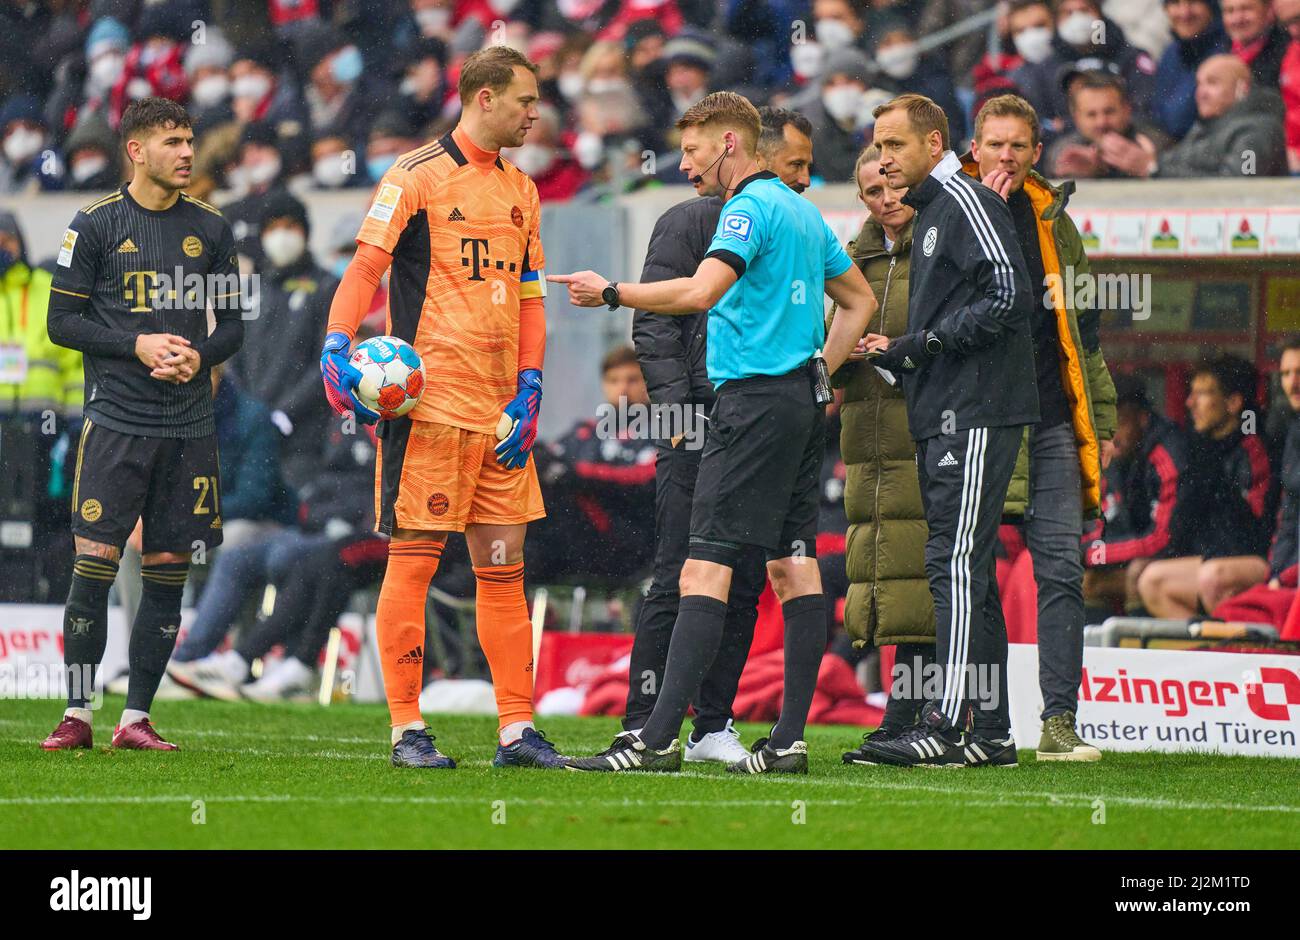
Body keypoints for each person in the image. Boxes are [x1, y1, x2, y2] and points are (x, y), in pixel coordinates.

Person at [552, 90, 878, 775]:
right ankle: (786, 741)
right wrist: (823, 368)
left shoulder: (750, 207)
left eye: (694, 149)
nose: (685, 161)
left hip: (747, 406)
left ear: (730, 143)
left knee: (702, 568)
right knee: (792, 566)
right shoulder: (804, 210)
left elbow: (699, 293)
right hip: (799, 408)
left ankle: (655, 740)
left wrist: (611, 292)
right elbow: (861, 301)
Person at [321, 46, 565, 771]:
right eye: (524, 99)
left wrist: (531, 385)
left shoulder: (524, 189)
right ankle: (407, 730)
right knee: (415, 559)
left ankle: (516, 731)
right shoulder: (415, 175)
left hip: (499, 414)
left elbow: (530, 299)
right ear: (484, 97)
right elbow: (366, 265)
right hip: (428, 407)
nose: (534, 112)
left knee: (503, 566)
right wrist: (337, 340)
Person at [610, 107, 817, 770]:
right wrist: (677, 416)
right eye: (797, 167)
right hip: (700, 425)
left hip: (750, 424)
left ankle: (711, 723)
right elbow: (655, 328)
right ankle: (644, 720)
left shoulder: (785, 221)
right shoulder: (691, 221)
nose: (804, 181)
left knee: (742, 578)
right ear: (761, 153)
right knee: (677, 576)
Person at [41, 98, 244, 751]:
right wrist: (138, 345)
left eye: (190, 140)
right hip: (116, 421)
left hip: (188, 427)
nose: (187, 152)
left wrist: (198, 354)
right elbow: (61, 324)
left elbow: (235, 326)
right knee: (93, 567)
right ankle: (78, 713)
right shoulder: (95, 224)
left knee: (166, 570)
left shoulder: (213, 230)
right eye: (173, 142)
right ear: (136, 150)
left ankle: (136, 719)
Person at [860, 92, 1037, 768]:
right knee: (971, 574)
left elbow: (1010, 295)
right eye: (878, 148)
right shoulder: (930, 216)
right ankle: (990, 734)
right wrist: (902, 353)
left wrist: (923, 343)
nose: (884, 160)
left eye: (896, 145)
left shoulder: (965, 201)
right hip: (948, 411)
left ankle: (943, 719)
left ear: (935, 145)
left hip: (979, 412)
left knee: (954, 563)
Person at [967, 94, 1117, 761]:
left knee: (1061, 570)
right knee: (968, 571)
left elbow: (1085, 335)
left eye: (1017, 145)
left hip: (1053, 419)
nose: (1005, 156)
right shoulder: (947, 211)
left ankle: (1059, 724)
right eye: (994, 144)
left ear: (1035, 152)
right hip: (977, 420)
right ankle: (985, 723)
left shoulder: (1057, 221)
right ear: (974, 149)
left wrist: (1103, 420)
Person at [831, 145, 937, 765]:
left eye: (893, 186)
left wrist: (898, 349)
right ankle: (903, 716)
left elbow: (964, 333)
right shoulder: (853, 258)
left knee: (919, 581)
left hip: (926, 430)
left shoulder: (940, 246)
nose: (887, 199)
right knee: (885, 582)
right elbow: (833, 347)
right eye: (872, 191)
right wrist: (841, 360)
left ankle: (922, 715)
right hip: (868, 439)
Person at [1138, 356, 1275, 617]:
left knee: (1211, 578)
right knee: (1149, 580)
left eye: (1202, 393)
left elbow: (1254, 531)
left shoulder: (1254, 450)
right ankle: (1206, 652)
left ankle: (1232, 651)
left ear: (1233, 403)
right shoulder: (1199, 447)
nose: (1190, 402)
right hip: (1212, 559)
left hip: (1252, 562)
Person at [1082, 376, 1198, 616]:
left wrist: (1091, 553)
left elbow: (1163, 539)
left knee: (1137, 573)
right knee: (1086, 580)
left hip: (1189, 556)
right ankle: (1098, 654)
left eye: (1118, 423)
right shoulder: (1116, 455)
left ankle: (1142, 653)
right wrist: (1089, 550)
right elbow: (1101, 523)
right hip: (1145, 556)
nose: (1111, 435)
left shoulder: (1168, 453)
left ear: (1142, 419)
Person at [1153, 53, 1289, 176]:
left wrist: (1155, 170)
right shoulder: (1202, 128)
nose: (1201, 93)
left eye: (1212, 83)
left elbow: (1242, 184)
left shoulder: (1258, 131)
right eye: (1199, 84)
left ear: (1241, 89)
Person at [1047, 71, 1170, 178]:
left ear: (1127, 109)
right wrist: (1078, 176)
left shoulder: (1155, 144)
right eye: (1091, 114)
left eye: (1109, 111)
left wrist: (1151, 167)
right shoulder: (1064, 151)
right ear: (1076, 117)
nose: (1101, 122)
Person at [1154, 0, 1231, 140]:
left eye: (1194, 2)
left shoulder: (1226, 51)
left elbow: (1178, 122)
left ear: (1211, 7)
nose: (1185, 13)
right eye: (1175, 3)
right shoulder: (1170, 53)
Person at [1223, 0, 1290, 87]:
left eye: (1246, 9)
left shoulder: (1287, 50)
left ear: (1269, 11)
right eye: (1230, 10)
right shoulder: (1221, 51)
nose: (1237, 19)